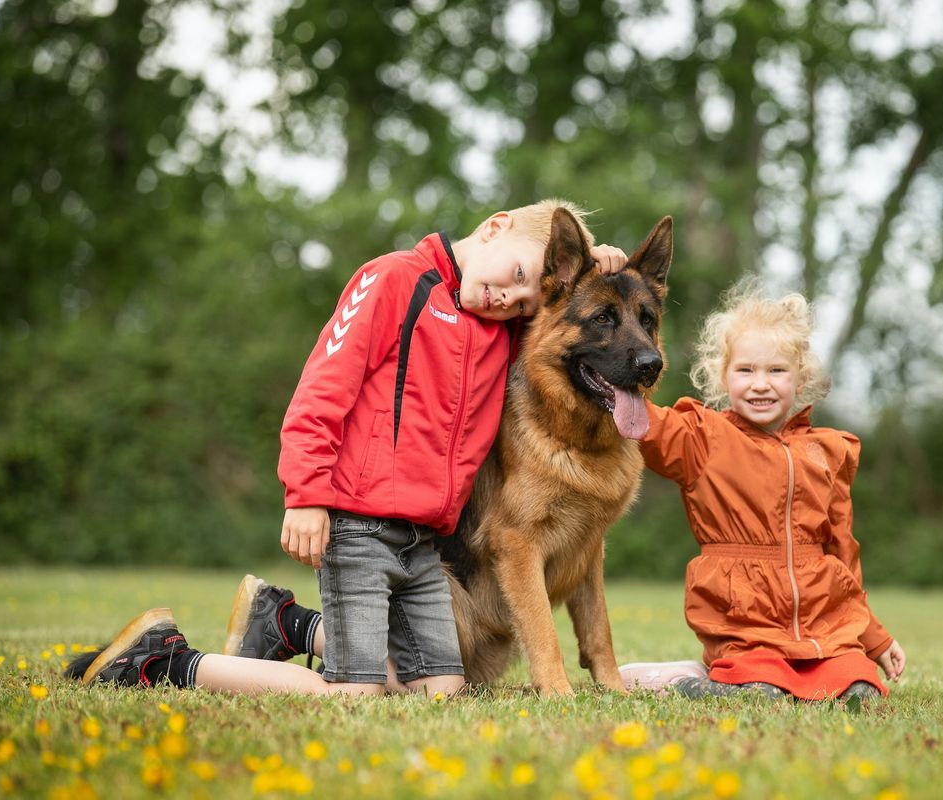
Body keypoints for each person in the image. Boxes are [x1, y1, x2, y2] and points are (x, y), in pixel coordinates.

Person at [67, 199, 628, 697]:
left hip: (424, 543)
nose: (508, 298)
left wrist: (592, 264)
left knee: (443, 688)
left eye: (522, 303)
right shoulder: (393, 280)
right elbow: (321, 389)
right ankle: (171, 661)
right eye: (516, 275)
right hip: (359, 525)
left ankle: (285, 625)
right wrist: (305, 494)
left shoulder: (495, 327)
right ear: (494, 227)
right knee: (355, 691)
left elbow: (559, 326)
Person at [616, 280, 906, 703]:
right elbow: (645, 424)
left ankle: (827, 670)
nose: (760, 384)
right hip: (743, 622)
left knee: (862, 691)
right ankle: (682, 681)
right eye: (746, 370)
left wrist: (874, 638)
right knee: (762, 693)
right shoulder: (702, 437)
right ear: (723, 376)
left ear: (800, 377)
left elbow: (843, 557)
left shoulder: (827, 452)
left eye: (776, 371)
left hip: (822, 626)